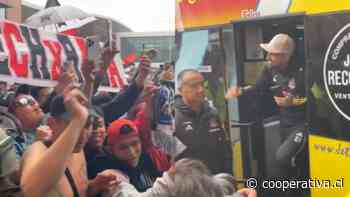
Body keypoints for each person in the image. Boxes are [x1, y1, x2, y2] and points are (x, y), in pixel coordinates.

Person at [226, 33, 308, 195]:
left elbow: (318, 98)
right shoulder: (269, 69)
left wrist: (293, 102)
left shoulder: (303, 70)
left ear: (285, 56)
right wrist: (240, 91)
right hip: (284, 123)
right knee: (287, 162)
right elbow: (258, 88)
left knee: (282, 157)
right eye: (268, 52)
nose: (268, 56)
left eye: (273, 53)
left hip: (303, 124)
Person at [20, 87, 117, 197]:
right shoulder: (37, 149)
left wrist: (93, 186)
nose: (82, 135)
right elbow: (30, 191)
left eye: (87, 125)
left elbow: (77, 191)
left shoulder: (78, 151)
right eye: (72, 124)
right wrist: (78, 119)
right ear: (51, 123)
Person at [174, 69, 232, 174]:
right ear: (180, 89)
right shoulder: (173, 117)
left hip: (215, 182)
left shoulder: (212, 114)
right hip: (188, 185)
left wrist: (228, 179)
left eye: (202, 84)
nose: (200, 89)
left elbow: (224, 151)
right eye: (194, 86)